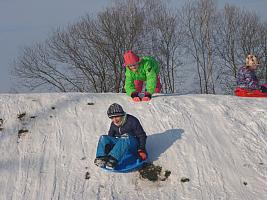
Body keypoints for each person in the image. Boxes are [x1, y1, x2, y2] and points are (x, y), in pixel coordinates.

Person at [94, 103, 147, 169]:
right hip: (122, 144)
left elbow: (142, 135)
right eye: (112, 118)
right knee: (104, 138)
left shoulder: (132, 120)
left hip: (133, 145)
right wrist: (109, 147)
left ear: (122, 115)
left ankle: (112, 160)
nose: (115, 120)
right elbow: (110, 137)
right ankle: (101, 158)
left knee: (126, 136)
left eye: (117, 117)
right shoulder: (114, 124)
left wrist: (142, 149)